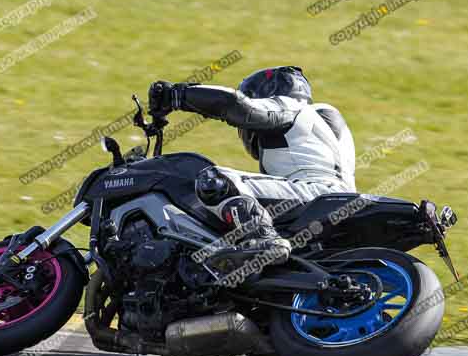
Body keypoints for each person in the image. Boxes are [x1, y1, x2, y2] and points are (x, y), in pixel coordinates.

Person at [148, 66, 356, 272]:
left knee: (214, 179)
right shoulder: (327, 125)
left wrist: (177, 95)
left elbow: (235, 105)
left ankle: (264, 239)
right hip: (338, 201)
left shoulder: (292, 106)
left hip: (316, 194)